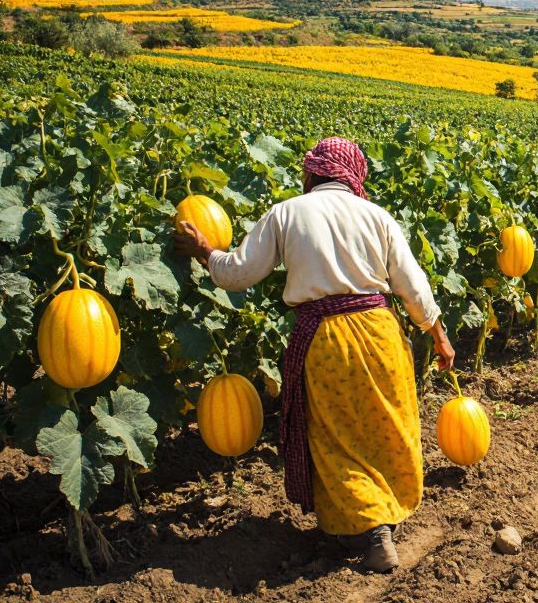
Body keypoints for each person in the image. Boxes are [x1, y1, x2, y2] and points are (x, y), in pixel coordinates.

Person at [173, 136, 455, 573]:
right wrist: (438, 334)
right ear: (353, 175)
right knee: (386, 426)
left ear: (311, 172)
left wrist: (205, 250)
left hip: (326, 339)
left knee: (336, 436)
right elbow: (413, 287)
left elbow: (239, 274)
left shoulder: (287, 212)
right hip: (381, 333)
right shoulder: (377, 217)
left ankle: (370, 529)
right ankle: (378, 517)